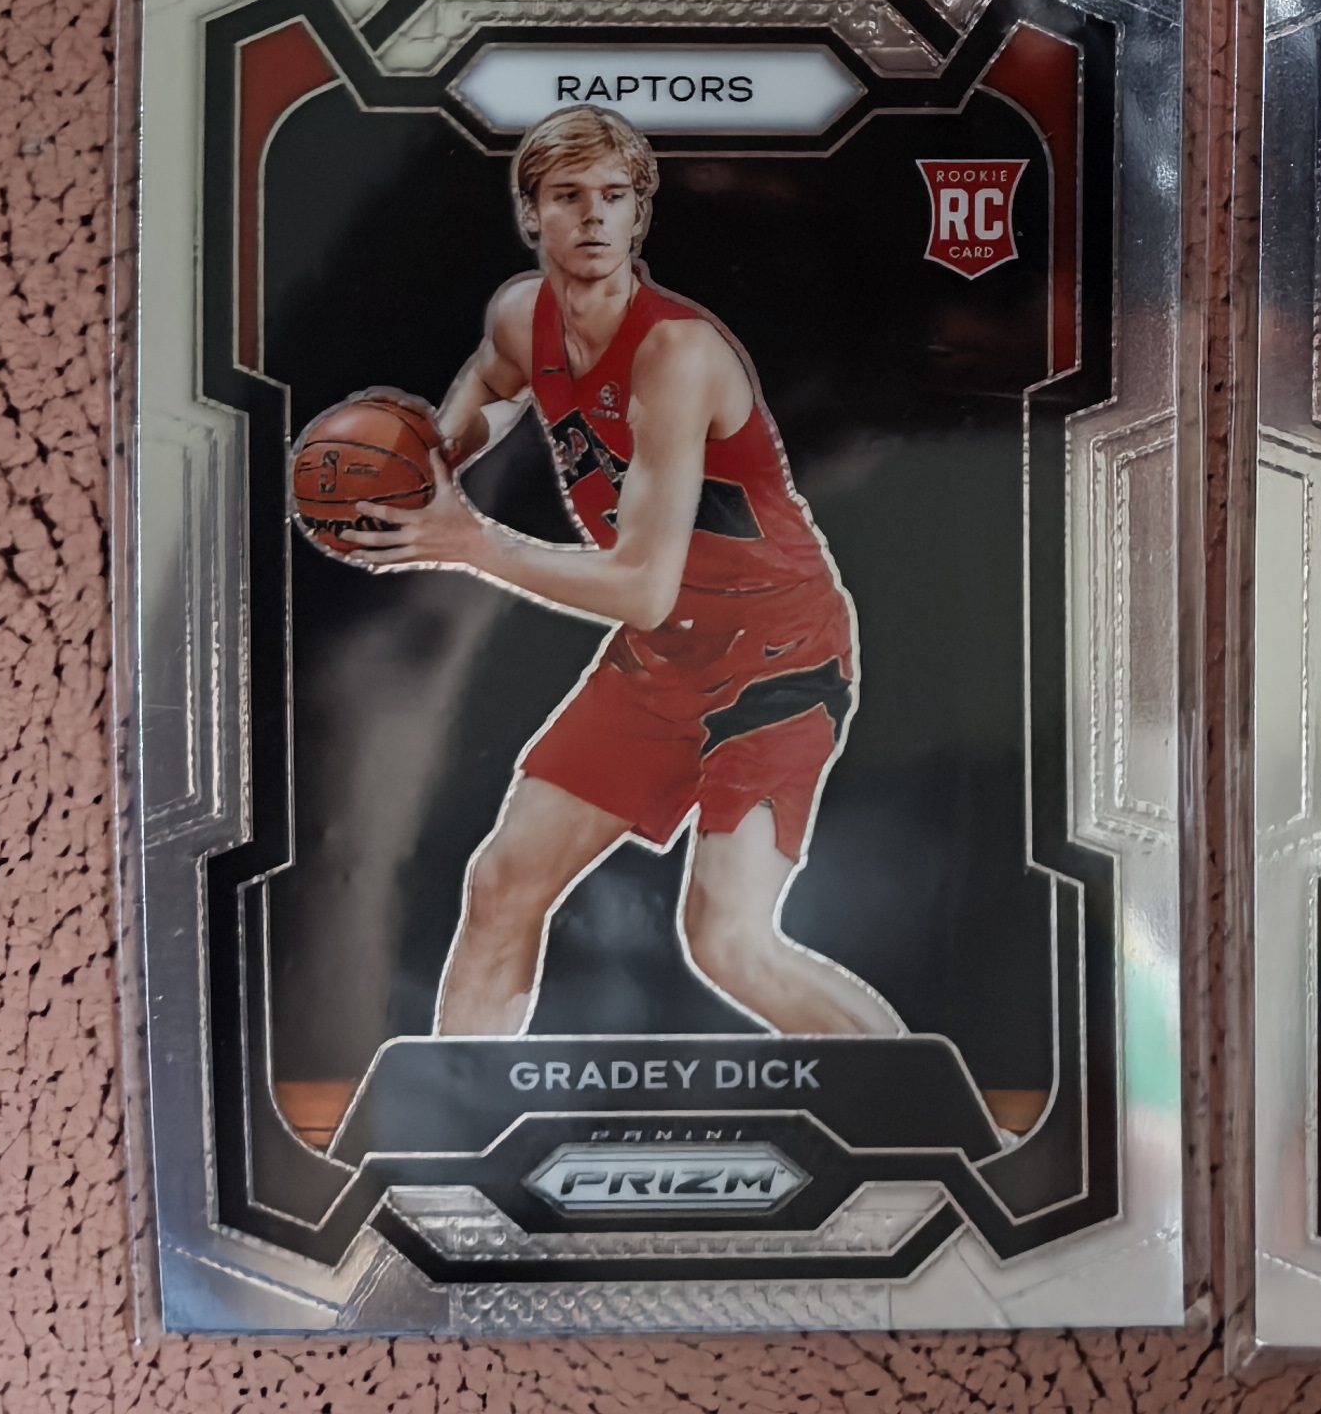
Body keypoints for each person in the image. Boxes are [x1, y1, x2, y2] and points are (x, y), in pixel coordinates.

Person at [338, 104, 902, 1041]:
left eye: (613, 196)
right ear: (532, 215)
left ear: (640, 214)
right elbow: (493, 384)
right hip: (666, 659)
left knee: (728, 943)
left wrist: (470, 541)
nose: (594, 215)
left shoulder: (678, 353)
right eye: (568, 196)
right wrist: (427, 458)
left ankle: (914, 1097)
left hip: (778, 656)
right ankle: (459, 1111)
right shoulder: (522, 315)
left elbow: (641, 585)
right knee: (502, 882)